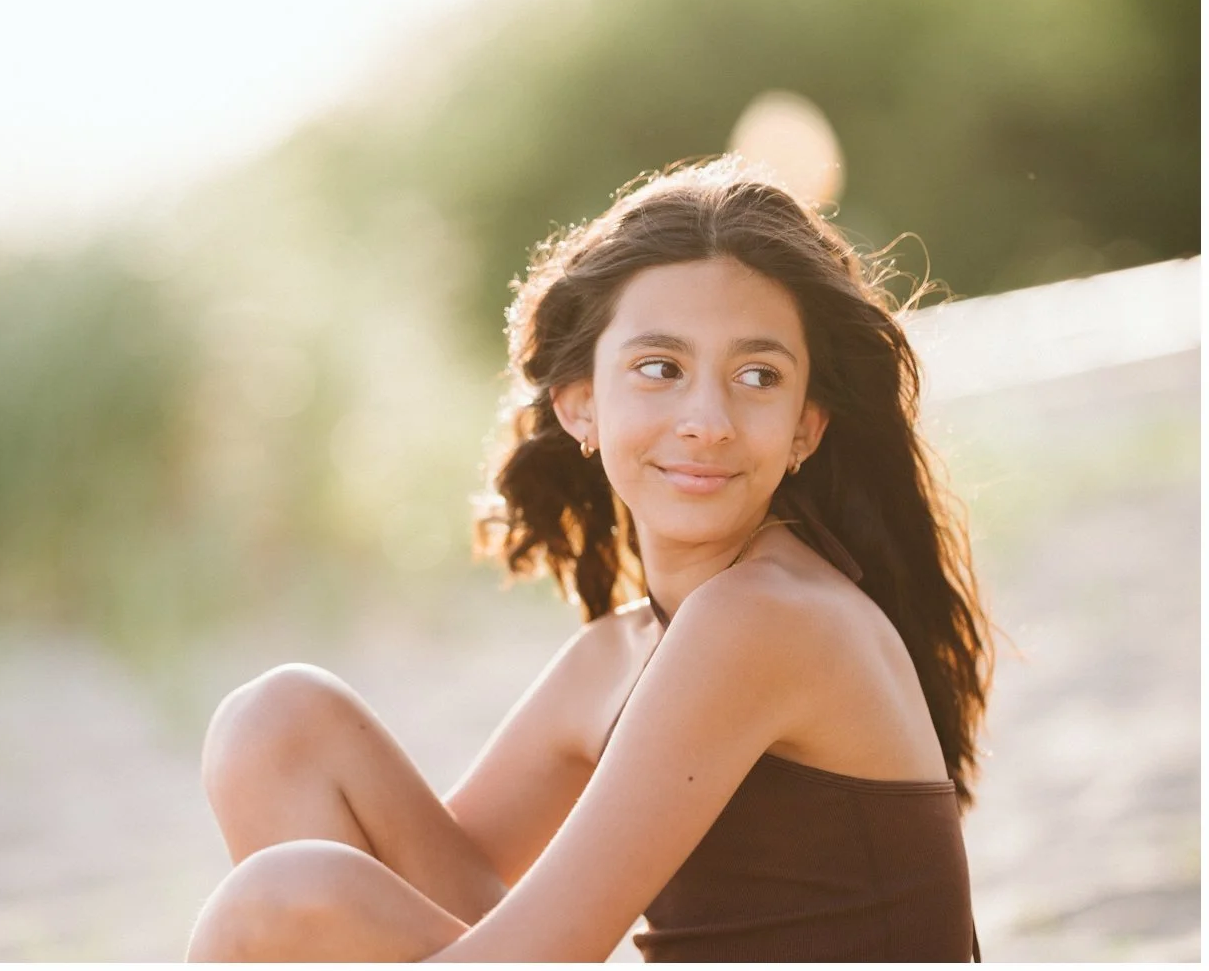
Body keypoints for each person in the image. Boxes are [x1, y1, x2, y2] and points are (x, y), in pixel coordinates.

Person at [184, 156, 993, 962]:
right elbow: (432, 893)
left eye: (756, 375)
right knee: (277, 727)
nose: (706, 419)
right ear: (580, 404)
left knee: (275, 909)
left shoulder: (769, 618)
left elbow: (535, 953)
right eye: (659, 368)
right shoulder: (621, 654)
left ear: (804, 429)